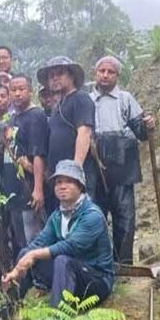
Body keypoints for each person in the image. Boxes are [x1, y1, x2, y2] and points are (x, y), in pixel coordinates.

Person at [1, 161, 114, 320]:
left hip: (96, 280)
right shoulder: (58, 215)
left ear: (80, 186)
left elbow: (71, 246)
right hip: (68, 276)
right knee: (26, 252)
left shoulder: (92, 215)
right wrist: (16, 270)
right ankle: (9, 309)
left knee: (61, 260)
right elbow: (39, 242)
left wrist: (35, 254)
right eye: (59, 182)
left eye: (68, 181)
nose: (62, 186)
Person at [88, 56, 156, 264]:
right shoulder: (87, 100)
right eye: (102, 71)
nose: (106, 75)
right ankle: (100, 263)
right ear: (95, 73)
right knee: (95, 216)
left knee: (124, 218)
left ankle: (123, 264)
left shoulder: (126, 99)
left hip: (123, 165)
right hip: (95, 165)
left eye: (111, 72)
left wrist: (148, 126)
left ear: (117, 76)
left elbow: (141, 132)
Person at [38, 56, 97, 210]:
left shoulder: (81, 99)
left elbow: (84, 133)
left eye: (60, 73)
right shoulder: (58, 106)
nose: (55, 78)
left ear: (71, 76)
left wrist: (74, 171)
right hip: (59, 177)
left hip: (74, 178)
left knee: (78, 223)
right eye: (51, 75)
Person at [3, 74, 49, 257]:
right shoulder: (12, 120)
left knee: (33, 238)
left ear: (31, 91)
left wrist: (38, 189)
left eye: (21, 89)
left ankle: (39, 280)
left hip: (28, 188)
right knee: (19, 238)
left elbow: (38, 154)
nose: (17, 93)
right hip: (13, 190)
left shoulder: (36, 115)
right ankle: (25, 280)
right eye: (13, 90)